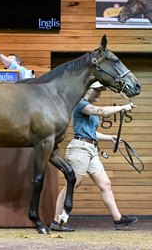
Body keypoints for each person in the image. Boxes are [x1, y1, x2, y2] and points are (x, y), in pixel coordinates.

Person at [50, 81, 138, 232]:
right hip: (80, 149)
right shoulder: (81, 104)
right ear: (87, 89)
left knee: (105, 184)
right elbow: (102, 112)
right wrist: (123, 107)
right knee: (72, 185)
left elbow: (91, 133)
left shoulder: (89, 109)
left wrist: (109, 137)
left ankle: (118, 220)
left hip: (90, 149)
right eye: (96, 90)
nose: (99, 93)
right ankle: (57, 221)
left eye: (100, 90)